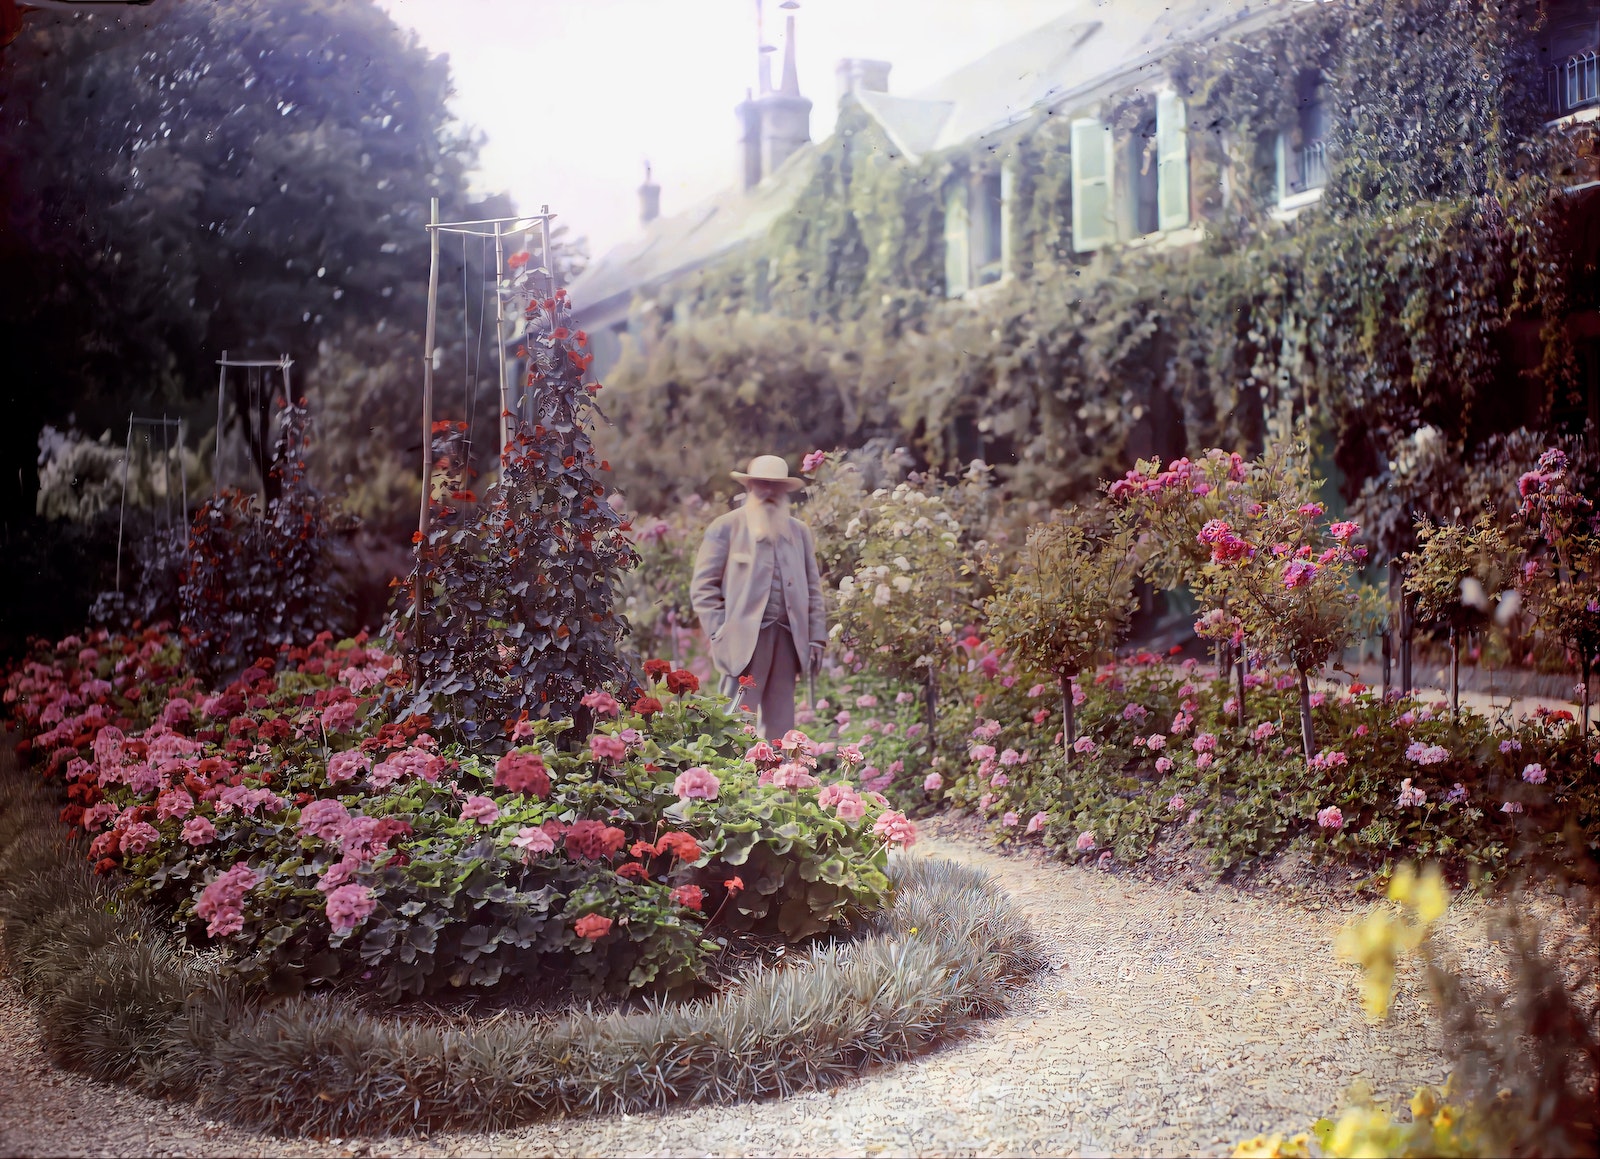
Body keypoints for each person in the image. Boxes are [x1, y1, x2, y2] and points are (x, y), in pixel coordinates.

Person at [690, 455, 826, 739]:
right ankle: (732, 779)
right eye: (762, 484)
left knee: (781, 725)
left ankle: (778, 779)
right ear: (750, 486)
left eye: (775, 487)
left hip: (788, 640)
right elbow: (703, 587)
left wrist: (816, 638)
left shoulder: (799, 532)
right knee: (735, 721)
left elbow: (813, 590)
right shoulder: (726, 527)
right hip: (743, 642)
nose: (768, 492)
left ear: (784, 491)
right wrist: (721, 632)